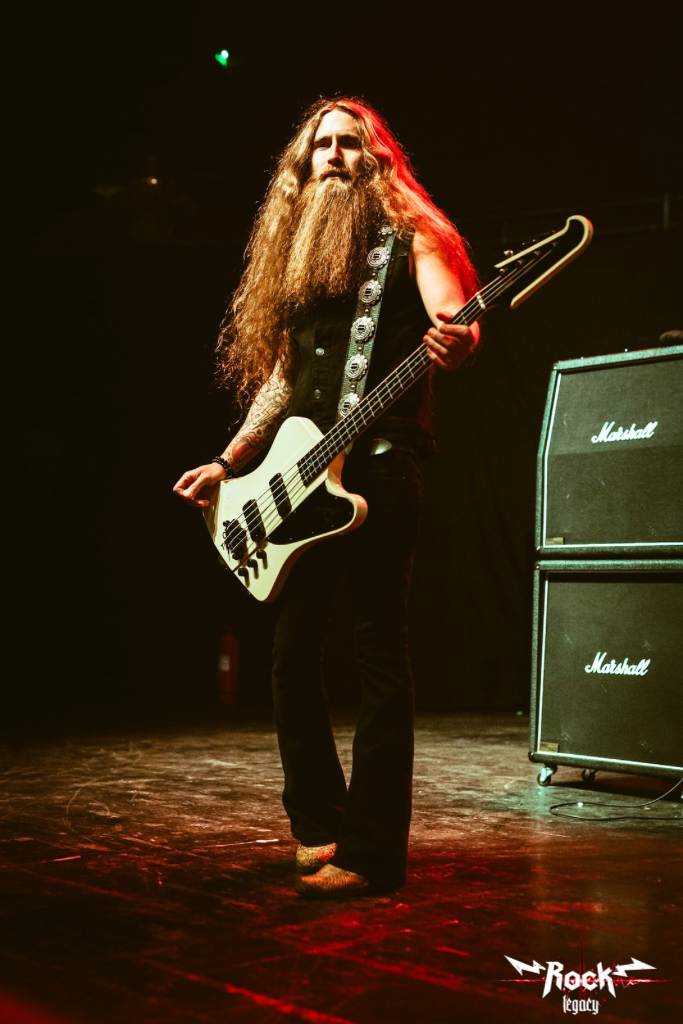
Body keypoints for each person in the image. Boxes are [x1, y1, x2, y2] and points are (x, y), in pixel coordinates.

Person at [173, 98, 479, 898]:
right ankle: (318, 822)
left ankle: (373, 853)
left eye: (351, 143)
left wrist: (456, 338)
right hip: (302, 479)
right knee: (288, 654)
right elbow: (283, 379)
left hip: (379, 467)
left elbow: (454, 319)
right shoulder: (301, 258)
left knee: (379, 653)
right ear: (302, 167)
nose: (336, 155)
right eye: (323, 146)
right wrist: (228, 460)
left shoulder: (416, 235)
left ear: (376, 160)